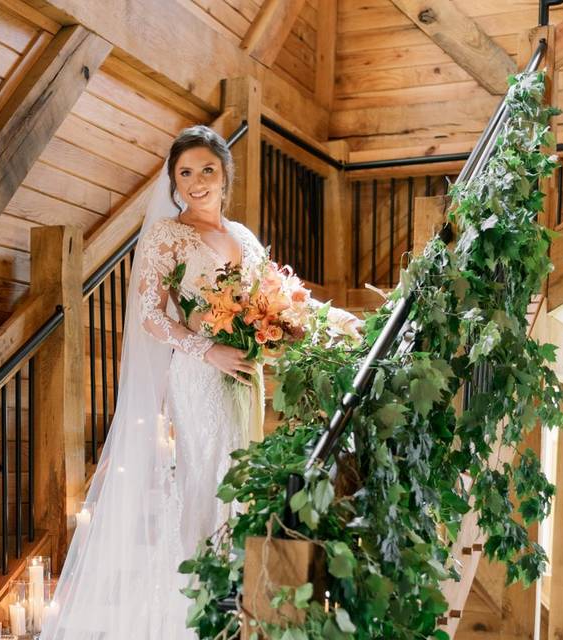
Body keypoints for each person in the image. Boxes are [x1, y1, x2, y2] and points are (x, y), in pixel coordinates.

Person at [40, 126, 360, 639]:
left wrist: (339, 321)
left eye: (206, 170)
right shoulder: (168, 236)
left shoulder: (247, 239)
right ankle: (202, 609)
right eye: (184, 172)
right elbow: (150, 315)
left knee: (242, 481)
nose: (196, 181)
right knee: (206, 481)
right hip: (198, 377)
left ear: (225, 176)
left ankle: (235, 604)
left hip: (246, 378)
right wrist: (206, 348)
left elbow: (283, 301)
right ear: (173, 181)